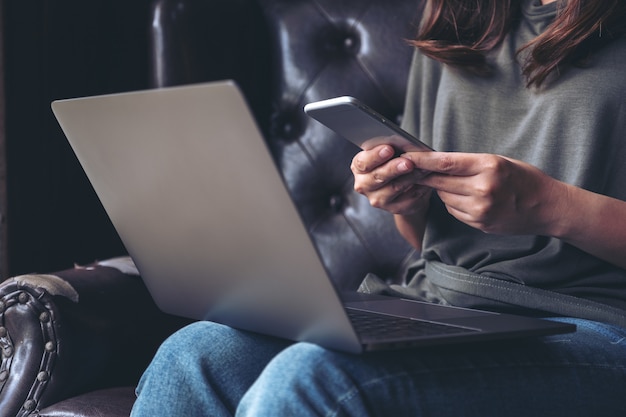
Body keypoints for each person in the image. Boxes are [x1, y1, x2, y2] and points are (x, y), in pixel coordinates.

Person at [130, 0, 626, 415]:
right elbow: (426, 240)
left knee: (317, 378)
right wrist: (406, 201)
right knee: (195, 354)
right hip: (441, 306)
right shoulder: (462, 12)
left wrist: (550, 206)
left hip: (596, 323)